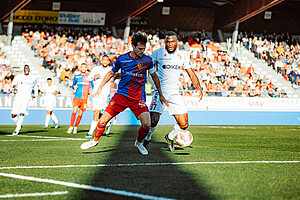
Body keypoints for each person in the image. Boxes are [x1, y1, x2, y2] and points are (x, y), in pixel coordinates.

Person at [80, 31, 168, 155]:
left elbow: (155, 77)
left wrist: (161, 94)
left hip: (137, 98)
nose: (142, 51)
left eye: (144, 48)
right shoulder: (122, 59)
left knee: (147, 124)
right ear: (133, 46)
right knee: (103, 121)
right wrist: (100, 86)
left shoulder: (147, 61)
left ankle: (139, 143)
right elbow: (111, 73)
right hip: (121, 96)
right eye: (140, 48)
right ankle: (94, 140)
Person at [143, 31, 203, 152]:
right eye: (168, 41)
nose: (170, 44)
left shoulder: (183, 55)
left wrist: (199, 87)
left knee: (184, 124)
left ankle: (170, 137)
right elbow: (146, 67)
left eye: (173, 41)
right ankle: (147, 138)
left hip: (174, 93)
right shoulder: (158, 53)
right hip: (160, 91)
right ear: (165, 42)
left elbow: (191, 73)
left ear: (177, 42)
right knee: (153, 120)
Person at [85, 55, 113, 138]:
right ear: (101, 61)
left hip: (104, 92)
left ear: (109, 62)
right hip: (95, 93)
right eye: (103, 60)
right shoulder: (96, 68)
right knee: (97, 111)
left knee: (96, 111)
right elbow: (88, 78)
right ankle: (108, 122)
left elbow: (115, 78)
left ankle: (90, 132)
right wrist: (94, 77)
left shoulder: (111, 70)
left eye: (106, 60)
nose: (105, 62)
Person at [11, 65, 38, 135]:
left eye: (27, 68)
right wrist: (14, 87)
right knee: (13, 115)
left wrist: (35, 95)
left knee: (22, 112)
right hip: (18, 96)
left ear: (29, 69)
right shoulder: (18, 77)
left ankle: (17, 129)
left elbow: (35, 86)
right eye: (25, 68)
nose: (26, 69)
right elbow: (13, 84)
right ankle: (18, 124)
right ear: (23, 69)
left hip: (27, 98)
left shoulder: (33, 78)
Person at [67, 63, 93, 134]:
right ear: (80, 68)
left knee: (80, 113)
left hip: (84, 98)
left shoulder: (89, 77)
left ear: (86, 68)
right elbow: (73, 85)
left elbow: (93, 86)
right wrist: (73, 87)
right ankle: (71, 127)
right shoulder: (77, 76)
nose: (83, 69)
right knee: (74, 110)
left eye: (85, 67)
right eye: (82, 67)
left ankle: (75, 127)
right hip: (77, 96)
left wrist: (92, 90)